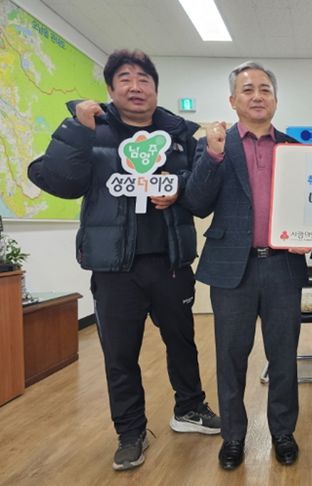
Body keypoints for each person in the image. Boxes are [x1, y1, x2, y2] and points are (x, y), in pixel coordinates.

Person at [27, 49, 220, 471]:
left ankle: (189, 408)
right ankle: (130, 432)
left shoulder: (180, 134)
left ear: (156, 88)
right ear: (111, 89)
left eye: (144, 79)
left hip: (170, 261)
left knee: (182, 342)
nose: (136, 87)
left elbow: (200, 189)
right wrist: (77, 130)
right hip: (114, 265)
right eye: (125, 79)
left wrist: (178, 188)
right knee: (120, 354)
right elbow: (59, 181)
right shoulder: (92, 130)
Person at [182, 61, 307, 470]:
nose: (257, 96)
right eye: (248, 89)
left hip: (283, 266)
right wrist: (213, 156)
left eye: (265, 89)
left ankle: (283, 432)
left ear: (275, 100)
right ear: (233, 100)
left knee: (284, 356)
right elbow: (196, 203)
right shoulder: (215, 146)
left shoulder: (294, 149)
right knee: (231, 356)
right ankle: (233, 436)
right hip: (231, 268)